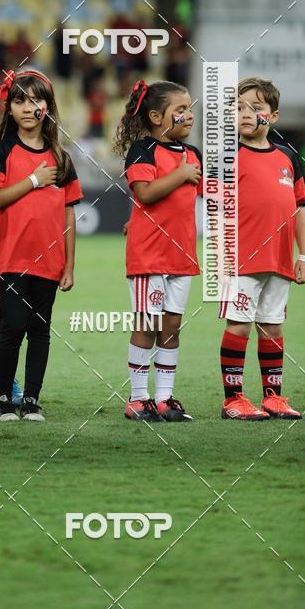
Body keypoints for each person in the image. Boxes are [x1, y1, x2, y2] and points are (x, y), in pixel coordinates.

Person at [0, 70, 82, 422]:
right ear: (9, 108)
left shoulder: (61, 157)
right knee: (12, 326)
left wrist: (69, 265)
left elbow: (69, 214)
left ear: (48, 107)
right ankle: (3, 400)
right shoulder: (1, 152)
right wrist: (33, 180)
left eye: (36, 100)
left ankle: (32, 400)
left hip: (49, 261)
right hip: (11, 257)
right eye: (19, 101)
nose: (28, 108)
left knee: (40, 330)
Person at [219, 77, 305, 420]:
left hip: (280, 260)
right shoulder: (228, 157)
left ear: (273, 116)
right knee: (239, 326)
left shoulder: (288, 157)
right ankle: (233, 400)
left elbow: (299, 210)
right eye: (239, 108)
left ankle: (273, 396)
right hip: (240, 260)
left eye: (255, 108)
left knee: (272, 326)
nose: (245, 114)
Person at [114, 80, 202, 423]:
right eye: (180, 110)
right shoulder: (143, 149)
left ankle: (164, 399)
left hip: (182, 255)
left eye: (189, 109)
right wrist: (181, 175)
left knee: (172, 326)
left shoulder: (193, 154)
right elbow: (146, 193)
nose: (188, 115)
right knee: (147, 324)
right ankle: (138, 398)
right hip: (149, 255)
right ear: (155, 117)